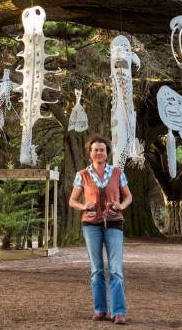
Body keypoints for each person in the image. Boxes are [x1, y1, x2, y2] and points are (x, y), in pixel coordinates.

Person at [69, 134, 132, 325]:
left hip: (114, 223)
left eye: (102, 150)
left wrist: (121, 206)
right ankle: (100, 309)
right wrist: (83, 206)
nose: (99, 153)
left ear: (107, 153)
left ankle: (118, 312)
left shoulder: (118, 172)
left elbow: (129, 197)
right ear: (90, 153)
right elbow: (72, 200)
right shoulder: (82, 175)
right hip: (91, 225)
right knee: (96, 269)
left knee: (115, 269)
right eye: (95, 150)